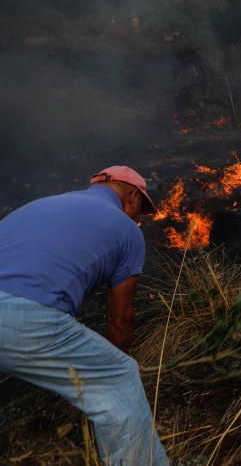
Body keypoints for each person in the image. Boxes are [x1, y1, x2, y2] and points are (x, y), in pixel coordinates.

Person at [0, 166, 169, 465]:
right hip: (20, 316)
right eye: (140, 210)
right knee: (119, 378)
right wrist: (99, 377)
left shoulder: (40, 205)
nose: (137, 219)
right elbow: (120, 319)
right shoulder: (127, 230)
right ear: (131, 196)